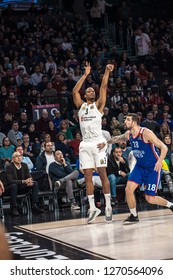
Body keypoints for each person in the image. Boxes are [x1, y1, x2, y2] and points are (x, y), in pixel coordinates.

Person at [98, 113, 173, 224]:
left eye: (127, 120)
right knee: (128, 189)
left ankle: (171, 205)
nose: (125, 122)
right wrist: (106, 143)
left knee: (150, 198)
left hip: (153, 167)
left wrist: (159, 161)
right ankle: (134, 215)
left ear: (134, 122)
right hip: (140, 166)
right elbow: (118, 138)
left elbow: (164, 147)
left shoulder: (146, 133)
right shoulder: (129, 134)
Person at [72, 62, 114, 224]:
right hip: (85, 144)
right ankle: (93, 208)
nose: (90, 90)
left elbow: (103, 87)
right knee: (88, 176)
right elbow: (74, 91)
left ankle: (108, 206)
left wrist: (106, 71)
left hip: (97, 143)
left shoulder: (98, 105)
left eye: (92, 90)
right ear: (85, 95)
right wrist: (85, 75)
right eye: (88, 90)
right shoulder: (80, 106)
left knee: (103, 174)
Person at [5, 151, 44, 216]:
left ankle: (35, 205)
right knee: (14, 186)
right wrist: (23, 181)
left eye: (20, 156)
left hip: (21, 187)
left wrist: (30, 181)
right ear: (13, 158)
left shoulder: (24, 165)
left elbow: (29, 176)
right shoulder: (9, 167)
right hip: (11, 189)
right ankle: (13, 209)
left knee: (35, 183)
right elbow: (10, 181)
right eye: (17, 156)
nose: (19, 158)